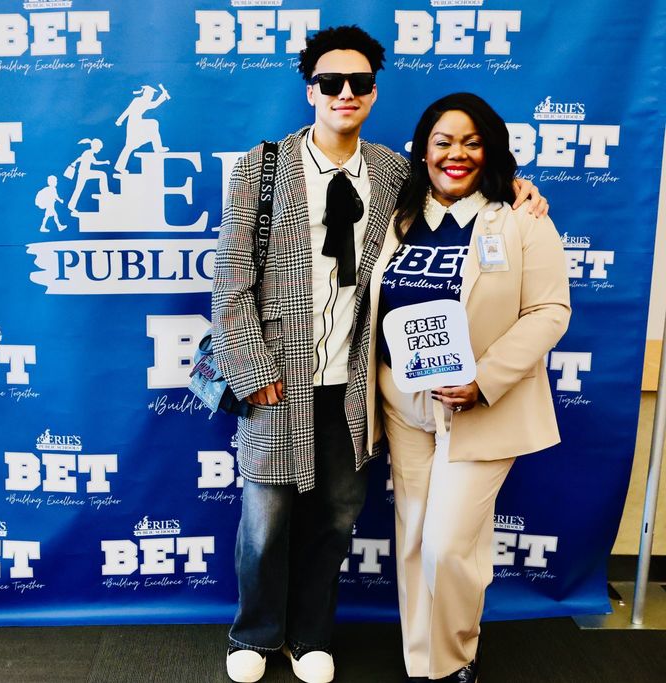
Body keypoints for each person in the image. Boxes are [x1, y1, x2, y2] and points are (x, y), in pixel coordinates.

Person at [211, 27, 546, 683]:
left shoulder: (395, 171)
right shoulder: (262, 166)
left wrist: (522, 191)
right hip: (279, 378)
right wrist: (252, 372)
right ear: (310, 90)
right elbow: (229, 279)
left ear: (372, 92)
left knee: (336, 519)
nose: (345, 93)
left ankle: (310, 636)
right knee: (265, 517)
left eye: (359, 83)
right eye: (331, 82)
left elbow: (464, 185)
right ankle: (253, 632)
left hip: (357, 384)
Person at [367, 93, 570, 682]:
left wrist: (483, 381)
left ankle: (455, 661)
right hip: (404, 408)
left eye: (472, 142)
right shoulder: (398, 219)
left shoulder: (521, 219)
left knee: (449, 545)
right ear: (422, 151)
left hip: (485, 409)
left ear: (491, 151)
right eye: (443, 141)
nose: (457, 154)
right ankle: (421, 663)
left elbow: (550, 311)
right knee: (413, 541)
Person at [66, 138, 110, 216]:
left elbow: (93, 162)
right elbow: (86, 160)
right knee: (102, 175)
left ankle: (71, 206)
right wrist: (74, 162)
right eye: (99, 148)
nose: (99, 150)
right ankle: (104, 192)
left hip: (85, 173)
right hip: (84, 173)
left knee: (101, 175)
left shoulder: (89, 153)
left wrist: (104, 162)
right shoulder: (88, 153)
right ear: (95, 147)